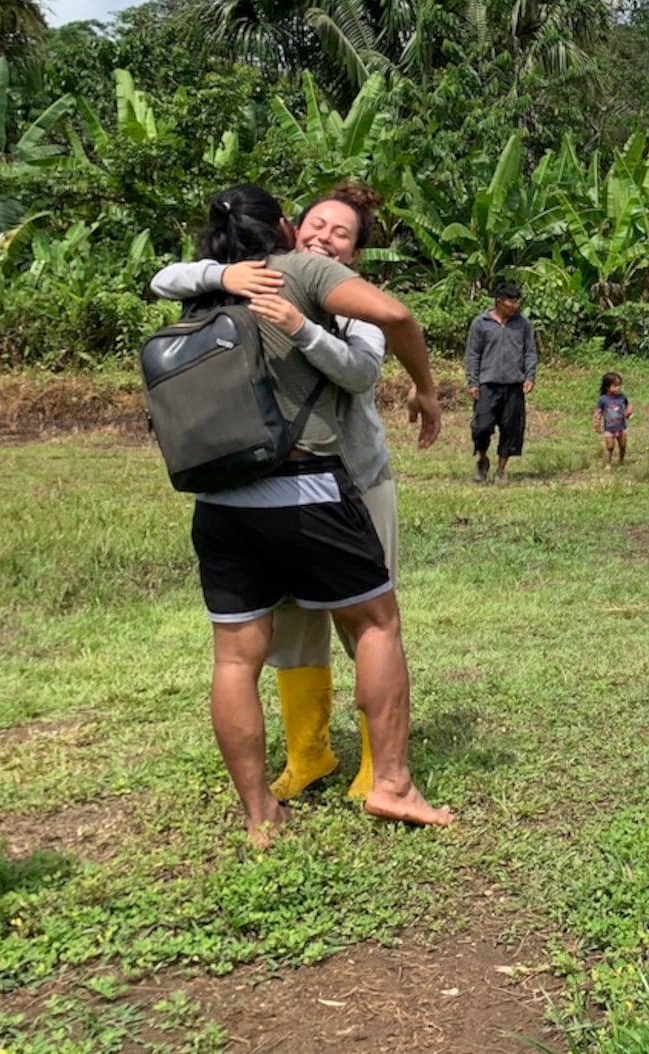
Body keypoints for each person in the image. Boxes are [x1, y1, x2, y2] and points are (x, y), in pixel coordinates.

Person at [177, 184, 449, 844]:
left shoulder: (210, 292)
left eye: (343, 233)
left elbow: (359, 371)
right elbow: (401, 315)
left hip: (237, 495)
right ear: (287, 225)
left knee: (239, 656)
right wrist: (429, 388)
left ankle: (263, 815)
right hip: (307, 488)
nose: (326, 237)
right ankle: (358, 772)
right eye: (317, 225)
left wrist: (287, 321)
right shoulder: (282, 276)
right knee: (369, 625)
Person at [465, 281, 537, 484]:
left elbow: (530, 351)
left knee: (511, 427)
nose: (515, 305)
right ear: (498, 301)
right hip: (487, 383)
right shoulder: (481, 323)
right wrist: (473, 382)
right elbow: (473, 354)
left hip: (514, 384)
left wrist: (529, 376)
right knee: (482, 426)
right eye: (510, 301)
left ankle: (501, 470)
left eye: (517, 301)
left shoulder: (522, 324)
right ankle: (482, 459)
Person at [594, 371, 632, 466]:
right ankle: (608, 464)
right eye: (615, 385)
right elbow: (598, 411)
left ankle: (621, 460)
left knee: (623, 445)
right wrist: (597, 422)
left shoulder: (621, 397)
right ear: (607, 387)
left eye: (619, 385)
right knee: (610, 447)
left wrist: (629, 411)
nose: (618, 388)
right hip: (609, 428)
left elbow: (628, 404)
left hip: (621, 427)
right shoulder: (603, 399)